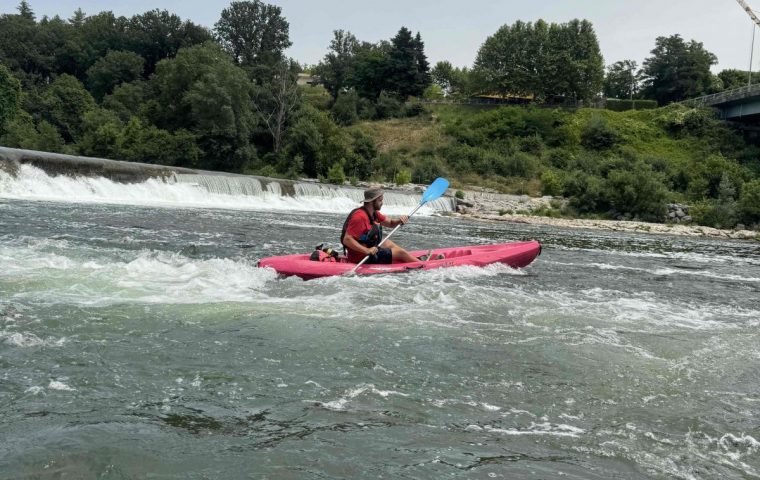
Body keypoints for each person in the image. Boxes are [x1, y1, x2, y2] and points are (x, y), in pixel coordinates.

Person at [341, 187, 422, 264]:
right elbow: (347, 240)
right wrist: (367, 250)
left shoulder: (373, 213)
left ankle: (409, 258)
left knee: (387, 243)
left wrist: (399, 220)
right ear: (371, 201)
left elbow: (390, 223)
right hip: (361, 257)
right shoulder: (359, 217)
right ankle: (422, 265)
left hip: (368, 249)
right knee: (400, 253)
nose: (382, 203)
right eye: (380, 200)